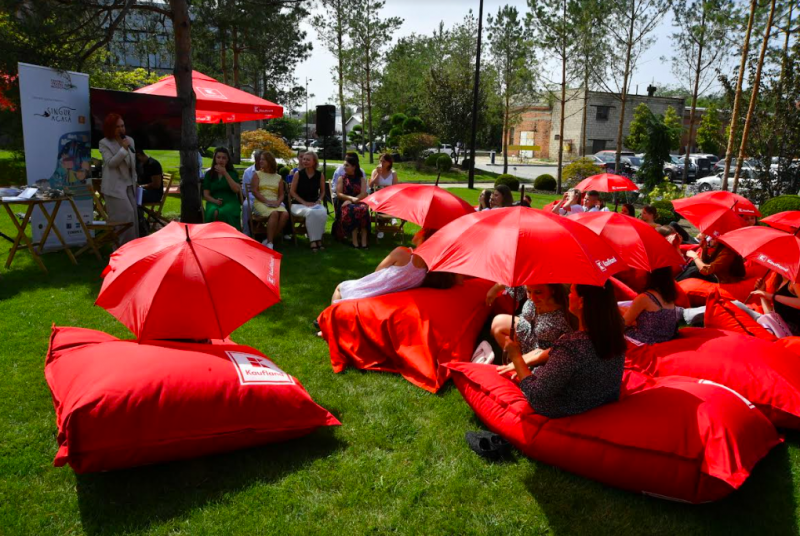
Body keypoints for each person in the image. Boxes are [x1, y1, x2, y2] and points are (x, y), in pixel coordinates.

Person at [504, 281, 626, 419]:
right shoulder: (615, 333)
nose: (568, 295)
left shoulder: (572, 346)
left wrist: (516, 356)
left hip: (565, 409)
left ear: (581, 302)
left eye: (572, 292)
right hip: (602, 400)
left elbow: (536, 394)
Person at [330, 228, 438, 302]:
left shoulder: (402, 252)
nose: (417, 231)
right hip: (389, 296)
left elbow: (378, 271)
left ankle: (330, 319)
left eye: (421, 230)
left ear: (423, 236)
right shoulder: (429, 267)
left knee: (341, 287)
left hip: (374, 290)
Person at [490, 284, 575, 374]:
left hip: (543, 354)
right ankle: (514, 363)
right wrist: (495, 288)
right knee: (497, 324)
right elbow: (515, 286)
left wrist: (527, 360)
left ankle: (518, 368)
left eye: (538, 292)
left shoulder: (565, 313)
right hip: (528, 334)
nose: (532, 298)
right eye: (529, 291)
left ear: (552, 290)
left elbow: (565, 348)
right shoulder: (532, 285)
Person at [98, 113, 139, 245]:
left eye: (122, 126)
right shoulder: (104, 143)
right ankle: (121, 247)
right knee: (124, 216)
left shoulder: (130, 140)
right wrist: (123, 149)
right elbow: (111, 163)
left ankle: (132, 247)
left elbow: (132, 163)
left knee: (133, 217)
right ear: (110, 128)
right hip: (114, 187)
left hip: (129, 184)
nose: (121, 129)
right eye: (117, 127)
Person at [623, 267, 682, 344]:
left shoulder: (644, 298)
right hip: (665, 340)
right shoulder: (669, 297)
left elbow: (623, 323)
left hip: (645, 341)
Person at [290, 151, 327, 252]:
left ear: (314, 162)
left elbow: (323, 192)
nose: (305, 161)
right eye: (304, 159)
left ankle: (318, 239)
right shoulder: (298, 174)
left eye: (308, 160)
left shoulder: (320, 175)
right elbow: (292, 192)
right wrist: (304, 203)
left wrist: (319, 200)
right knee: (311, 213)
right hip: (298, 204)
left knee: (323, 211)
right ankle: (313, 241)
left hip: (314, 204)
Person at [252, 151, 289, 250]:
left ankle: (268, 239)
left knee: (285, 214)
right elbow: (254, 191)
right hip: (260, 202)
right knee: (274, 213)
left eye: (263, 159)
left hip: (275, 203)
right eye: (260, 159)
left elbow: (281, 194)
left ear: (270, 161)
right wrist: (266, 201)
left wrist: (278, 202)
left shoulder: (278, 177)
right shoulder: (257, 174)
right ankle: (270, 243)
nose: (260, 161)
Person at [337, 154, 371, 249]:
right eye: (344, 165)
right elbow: (339, 194)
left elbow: (364, 193)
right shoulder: (341, 179)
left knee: (364, 209)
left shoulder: (361, 179)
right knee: (353, 210)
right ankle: (354, 241)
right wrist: (350, 199)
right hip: (345, 203)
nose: (344, 167)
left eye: (347, 165)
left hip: (358, 201)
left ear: (354, 167)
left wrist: (353, 200)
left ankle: (364, 241)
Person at [203, 147, 241, 229]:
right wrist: (215, 201)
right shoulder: (209, 174)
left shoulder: (232, 173)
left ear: (227, 160)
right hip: (213, 201)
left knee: (223, 212)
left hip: (230, 201)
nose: (221, 160)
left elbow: (236, 190)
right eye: (218, 157)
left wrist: (225, 173)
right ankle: (214, 235)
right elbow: (206, 195)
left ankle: (228, 235)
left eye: (224, 158)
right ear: (215, 159)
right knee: (214, 212)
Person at [680, 237, 746, 284]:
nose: (710, 239)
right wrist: (704, 249)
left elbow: (707, 270)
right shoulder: (720, 247)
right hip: (717, 275)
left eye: (713, 238)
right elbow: (708, 262)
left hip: (723, 280)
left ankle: (677, 284)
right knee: (694, 263)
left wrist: (695, 257)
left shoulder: (728, 252)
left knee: (695, 270)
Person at [241, 149, 264, 236]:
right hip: (251, 198)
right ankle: (246, 231)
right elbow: (244, 191)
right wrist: (255, 198)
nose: (260, 161)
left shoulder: (268, 170)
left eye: (262, 159)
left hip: (266, 197)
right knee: (245, 206)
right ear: (255, 159)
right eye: (258, 159)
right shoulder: (248, 172)